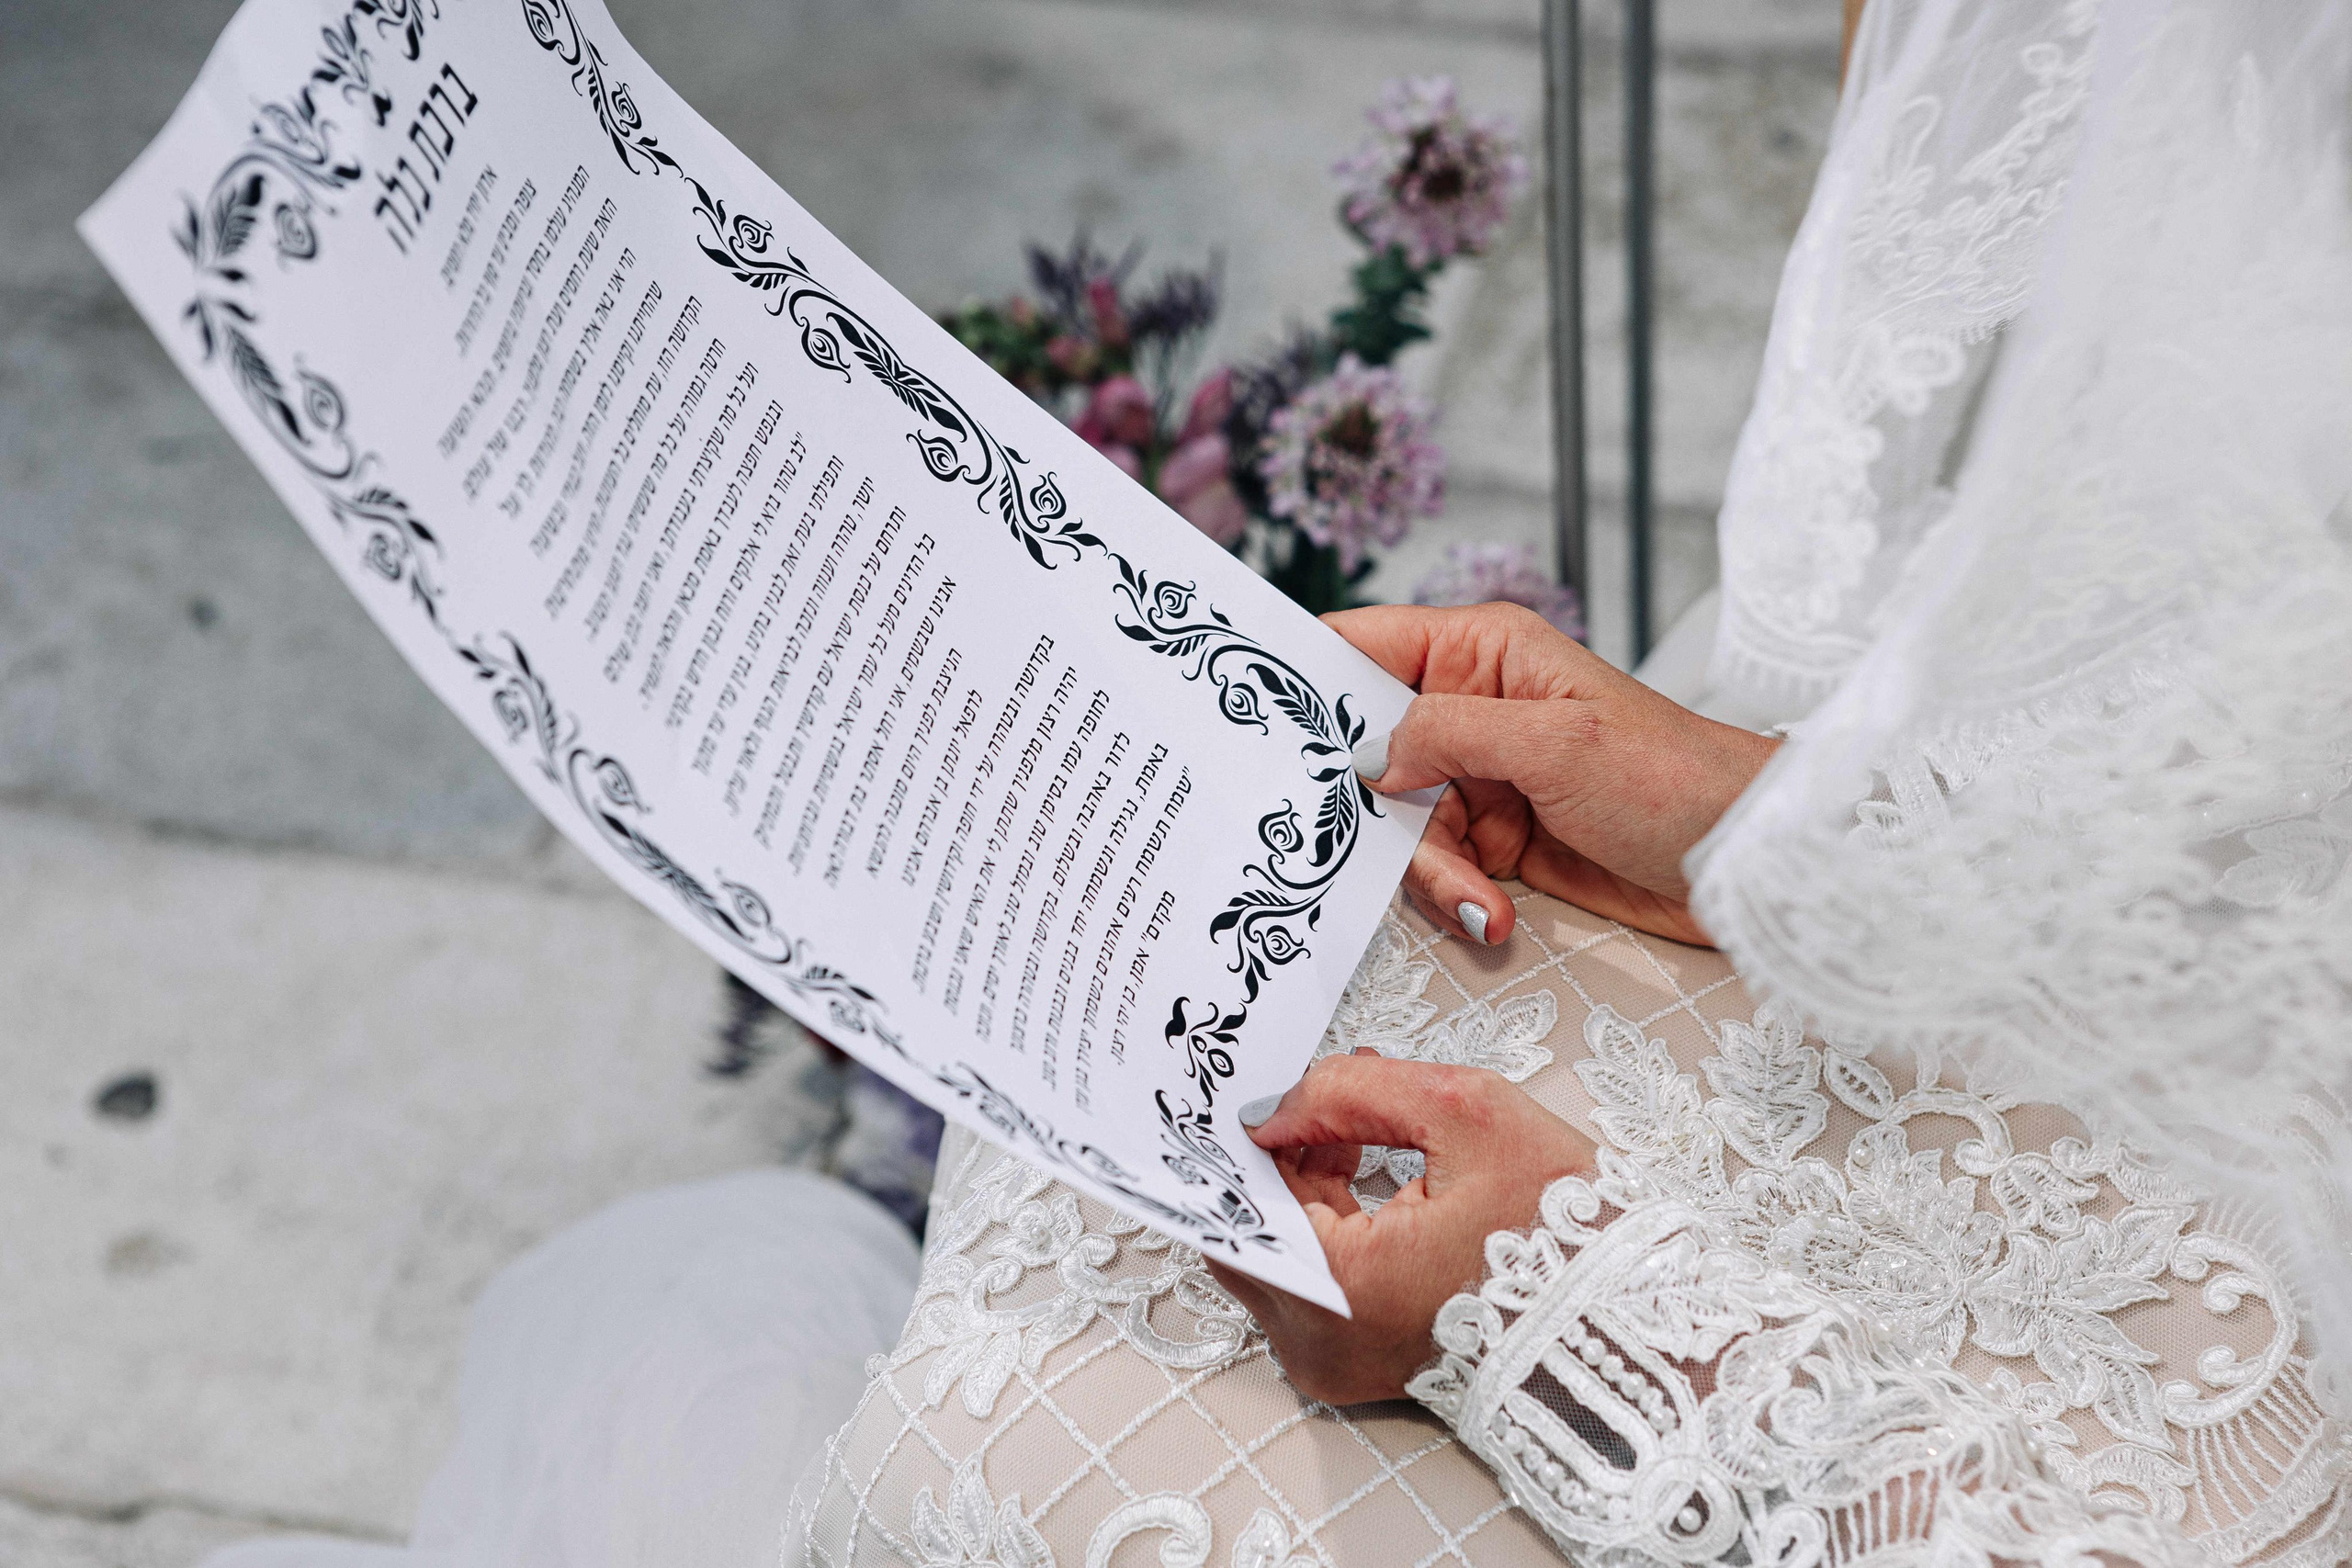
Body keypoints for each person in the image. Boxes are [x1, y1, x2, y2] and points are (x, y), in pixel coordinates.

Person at [210, 0, 2352, 1563]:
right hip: (2124, 921)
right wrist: (1744, 815)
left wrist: (1570, 1312)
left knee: (1015, 1453)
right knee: (1195, 1025)